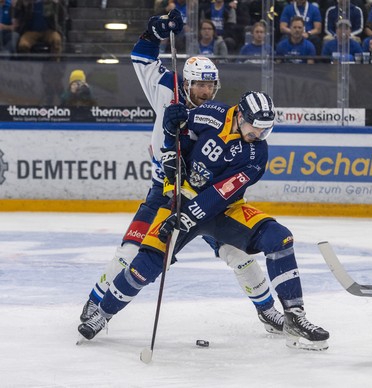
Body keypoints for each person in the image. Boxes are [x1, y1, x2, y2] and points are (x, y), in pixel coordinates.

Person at [78, 10, 285, 338]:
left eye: (210, 84)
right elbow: (141, 56)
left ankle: (267, 310)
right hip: (164, 191)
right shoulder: (165, 88)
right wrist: (154, 31)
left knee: (238, 254)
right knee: (131, 252)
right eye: (199, 84)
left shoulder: (218, 115)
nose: (205, 90)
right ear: (186, 82)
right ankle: (96, 304)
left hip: (206, 197)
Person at [78, 91, 330, 351]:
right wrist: (170, 129)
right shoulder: (210, 113)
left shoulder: (257, 156)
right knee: (147, 262)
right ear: (240, 115)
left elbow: (220, 193)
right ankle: (103, 313)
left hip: (224, 210)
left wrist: (186, 217)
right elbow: (179, 137)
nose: (258, 137)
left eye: (264, 133)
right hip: (179, 201)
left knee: (280, 238)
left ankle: (294, 314)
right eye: (255, 131)